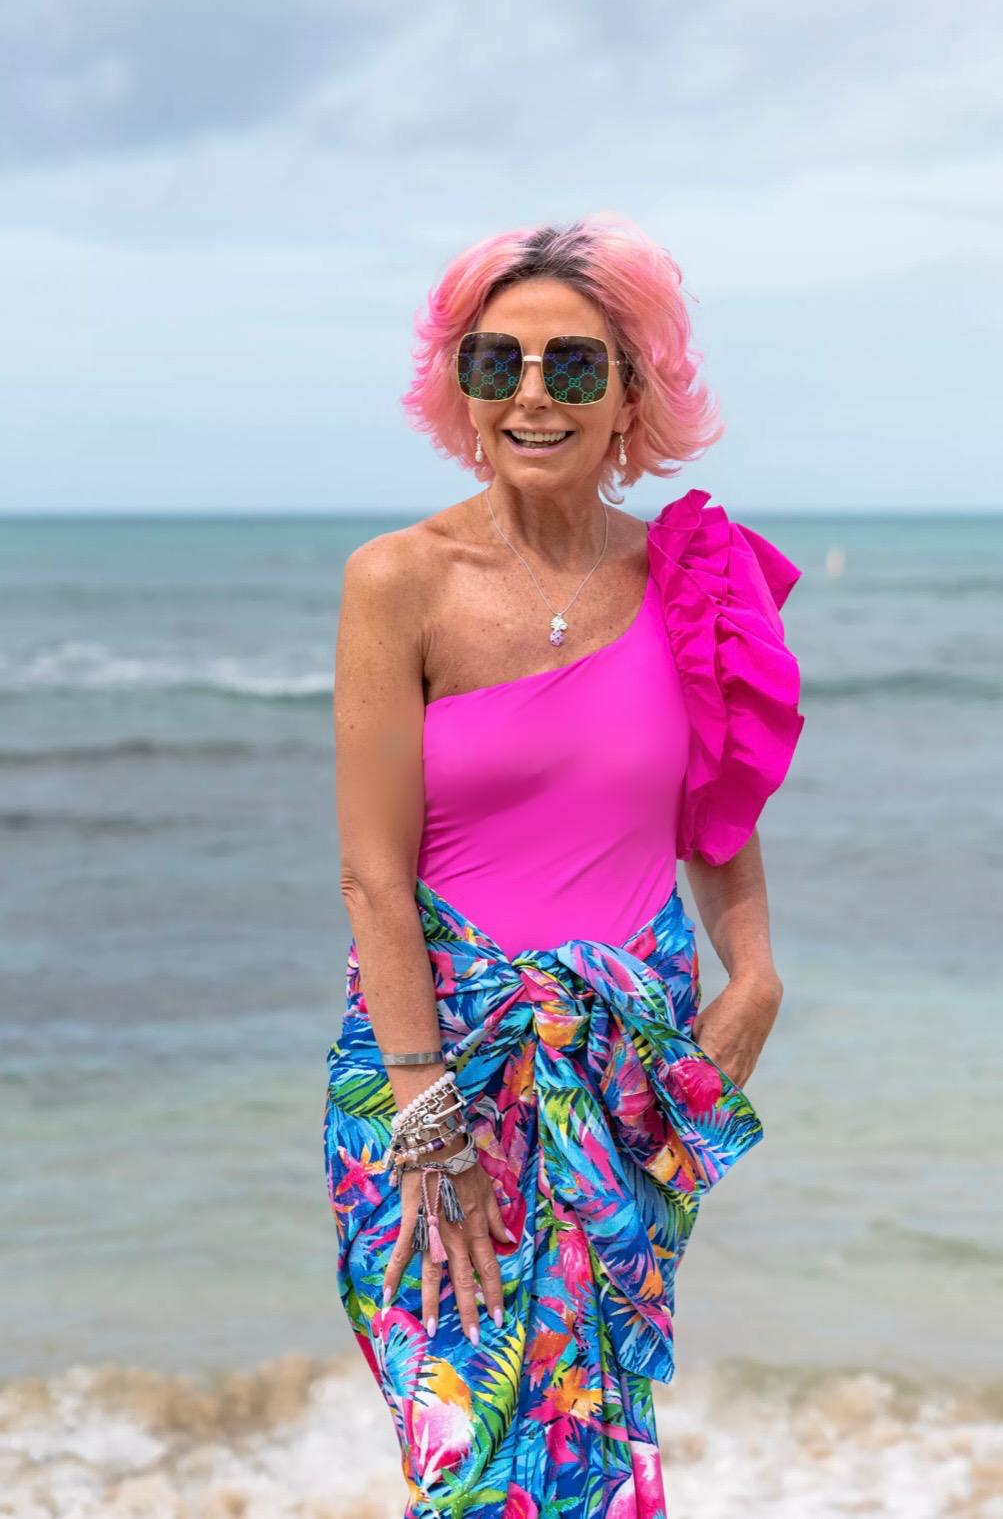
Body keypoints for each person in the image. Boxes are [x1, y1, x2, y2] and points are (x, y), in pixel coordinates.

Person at [325, 213, 805, 1519]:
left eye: (575, 366)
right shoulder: (397, 582)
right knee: (469, 1458)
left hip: (627, 1077)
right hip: (434, 1071)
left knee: (592, 1445)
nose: (533, 394)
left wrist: (756, 974)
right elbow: (373, 878)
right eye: (500, 362)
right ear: (461, 386)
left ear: (633, 395)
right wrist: (431, 1124)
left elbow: (719, 806)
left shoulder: (695, 577)